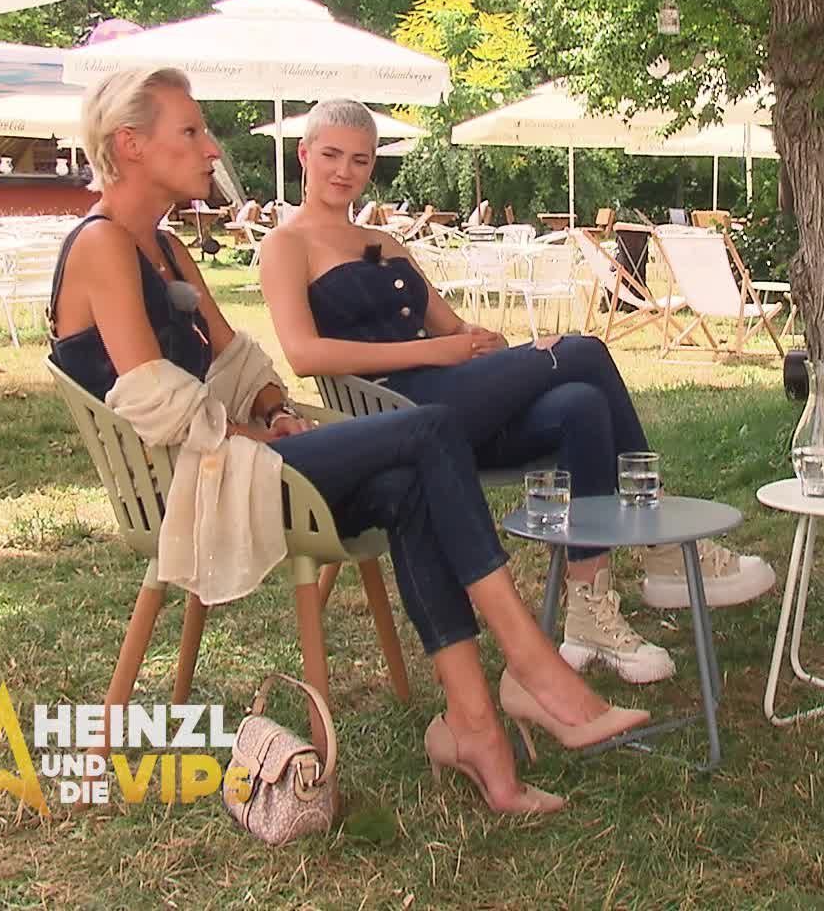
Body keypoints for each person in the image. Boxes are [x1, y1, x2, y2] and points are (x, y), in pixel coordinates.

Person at [49, 66, 649, 816]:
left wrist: (270, 409)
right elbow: (152, 398)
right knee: (428, 430)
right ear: (130, 144)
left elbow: (237, 362)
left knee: (411, 481)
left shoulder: (166, 250)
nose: (211, 148)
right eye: (192, 131)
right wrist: (248, 430)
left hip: (232, 456)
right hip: (192, 486)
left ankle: (477, 735)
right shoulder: (104, 245)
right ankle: (532, 666)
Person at [257, 99, 776, 687]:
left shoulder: (385, 243)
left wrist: (485, 344)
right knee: (581, 352)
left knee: (580, 402)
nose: (343, 171)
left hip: (450, 396)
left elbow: (450, 330)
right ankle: (660, 546)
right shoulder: (286, 246)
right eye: (330, 155)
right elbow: (304, 355)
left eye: (359, 159)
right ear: (304, 154)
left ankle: (589, 609)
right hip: (394, 418)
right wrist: (437, 352)